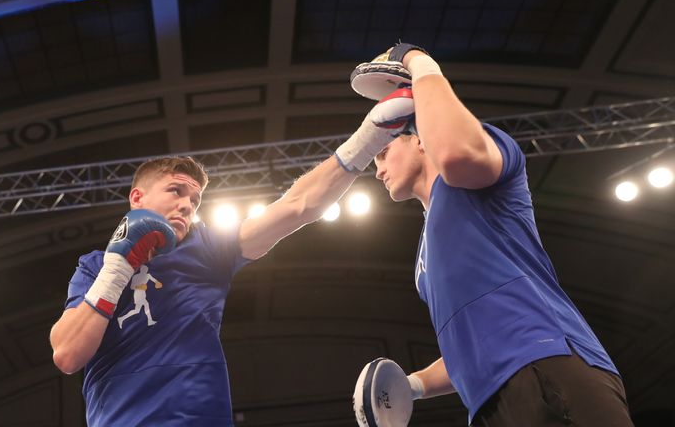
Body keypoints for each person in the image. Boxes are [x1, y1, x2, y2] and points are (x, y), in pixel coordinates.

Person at [48, 98, 399, 425]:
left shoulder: (208, 248)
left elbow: (298, 206)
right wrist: (119, 266)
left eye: (195, 200)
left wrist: (370, 136)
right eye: (176, 191)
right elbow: (67, 355)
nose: (187, 205)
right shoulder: (95, 266)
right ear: (137, 197)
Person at [352, 43, 635, 426]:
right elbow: (470, 349)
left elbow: (454, 154)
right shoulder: (422, 262)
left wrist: (415, 59)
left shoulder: (475, 170)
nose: (377, 171)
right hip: (487, 402)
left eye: (383, 154)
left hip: (548, 363)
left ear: (419, 139)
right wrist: (413, 385)